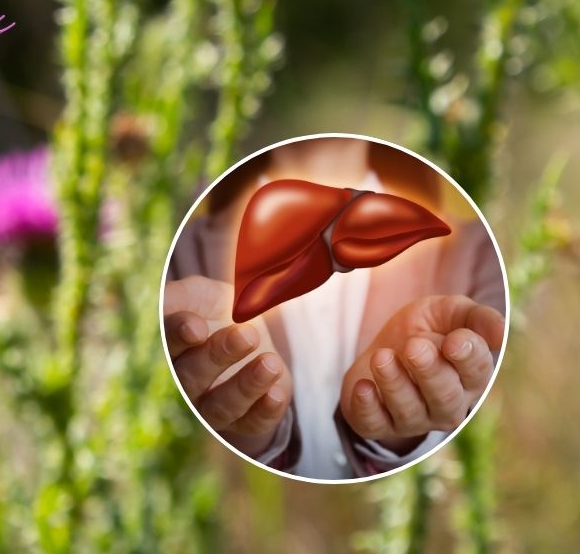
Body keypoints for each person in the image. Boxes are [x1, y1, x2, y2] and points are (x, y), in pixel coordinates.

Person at [164, 137, 506, 479]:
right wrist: (250, 435)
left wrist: (401, 435)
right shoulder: (176, 253)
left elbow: (487, 429)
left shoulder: (477, 253)